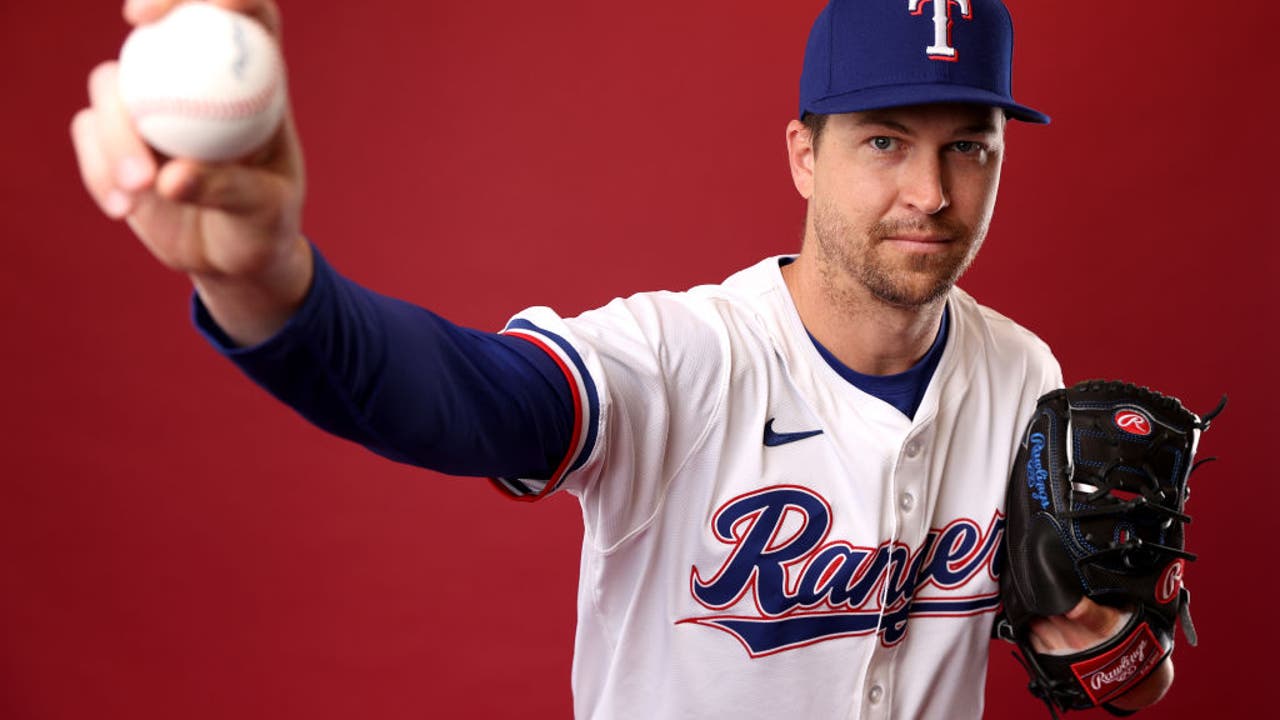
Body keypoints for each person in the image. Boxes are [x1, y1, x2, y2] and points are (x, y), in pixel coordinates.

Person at [72, 0, 1177, 717]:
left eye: (966, 149)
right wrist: (266, 281)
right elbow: (457, 399)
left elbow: (1121, 680)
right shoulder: (677, 360)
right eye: (883, 140)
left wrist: (1115, 650)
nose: (929, 194)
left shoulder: (1025, 375)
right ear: (803, 153)